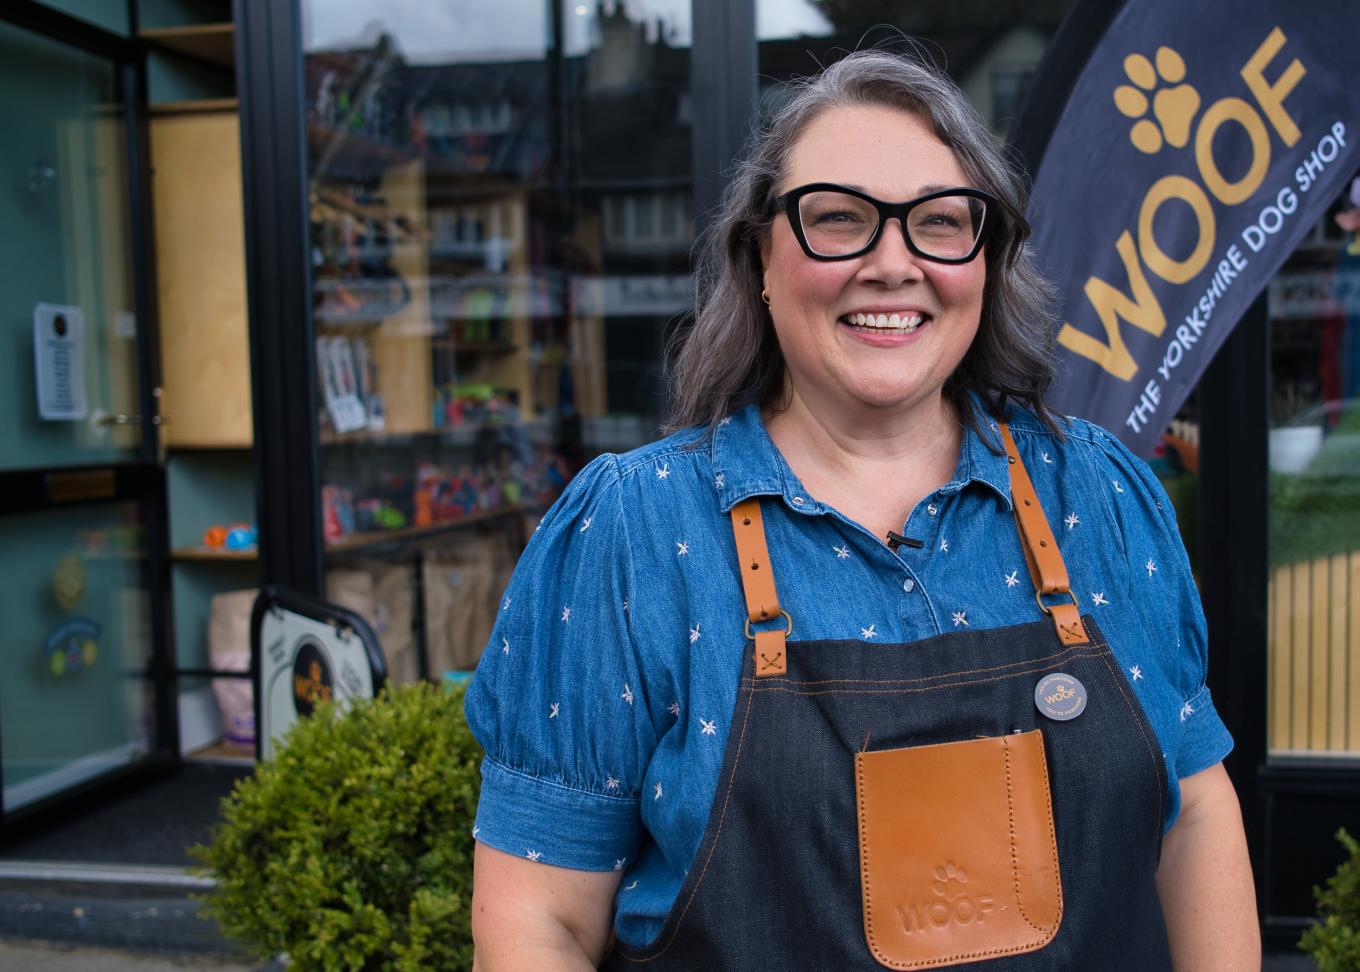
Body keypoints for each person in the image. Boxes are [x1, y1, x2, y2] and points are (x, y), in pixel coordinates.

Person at [465, 48, 1259, 970]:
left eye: (938, 223)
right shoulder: (636, 533)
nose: (893, 264)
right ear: (761, 257)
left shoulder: (1100, 498)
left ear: (988, 261)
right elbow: (539, 921)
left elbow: (1196, 811)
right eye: (838, 219)